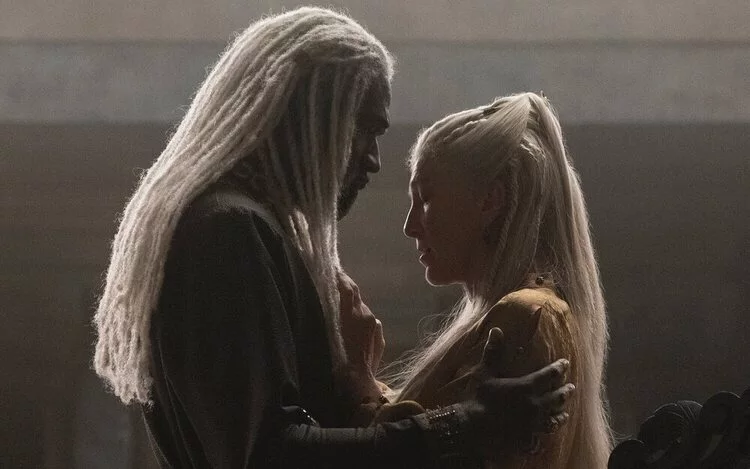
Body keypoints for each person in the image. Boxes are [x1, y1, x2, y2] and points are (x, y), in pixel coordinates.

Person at [92, 8, 575, 468]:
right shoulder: (229, 232)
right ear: (307, 113)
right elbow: (271, 458)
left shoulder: (238, 229)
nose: (374, 160)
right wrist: (464, 429)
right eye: (365, 129)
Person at [344, 93, 613, 468]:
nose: (409, 226)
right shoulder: (520, 312)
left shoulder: (525, 315)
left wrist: (361, 383)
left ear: (489, 202)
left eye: (425, 199)